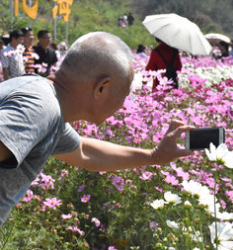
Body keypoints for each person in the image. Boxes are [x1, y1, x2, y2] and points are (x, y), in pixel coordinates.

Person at [0, 31, 194, 227]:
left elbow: (84, 151)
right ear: (102, 88)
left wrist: (154, 156)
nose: (123, 104)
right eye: (124, 95)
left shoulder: (44, 101)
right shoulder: (42, 108)